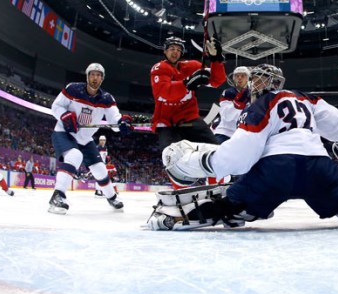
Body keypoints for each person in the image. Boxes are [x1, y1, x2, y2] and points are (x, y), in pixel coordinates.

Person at [147, 64, 338, 233]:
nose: (253, 85)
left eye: (256, 80)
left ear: (267, 83)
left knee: (229, 205)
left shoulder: (260, 105)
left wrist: (198, 161)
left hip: (276, 170)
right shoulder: (305, 98)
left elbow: (241, 157)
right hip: (319, 166)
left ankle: (182, 217)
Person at [48, 62, 132, 214]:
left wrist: (122, 123)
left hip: (85, 138)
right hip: (64, 132)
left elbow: (114, 120)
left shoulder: (107, 98)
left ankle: (111, 197)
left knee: (100, 168)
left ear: (102, 79)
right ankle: (57, 196)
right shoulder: (72, 88)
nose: (95, 78)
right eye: (92, 74)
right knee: (74, 155)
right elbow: (55, 107)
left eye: (99, 76)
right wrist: (64, 116)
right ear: (87, 76)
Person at [149, 36, 226, 187]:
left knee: (217, 152)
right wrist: (187, 83)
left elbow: (217, 81)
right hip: (167, 123)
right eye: (172, 49)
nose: (175, 52)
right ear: (165, 51)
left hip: (190, 118)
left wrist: (216, 60)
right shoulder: (159, 68)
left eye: (178, 50)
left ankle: (216, 189)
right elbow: (163, 92)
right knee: (172, 158)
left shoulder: (192, 66)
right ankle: (180, 192)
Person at [213, 66, 251, 144]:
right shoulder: (228, 93)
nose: (239, 78)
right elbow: (227, 116)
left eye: (243, 76)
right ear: (234, 78)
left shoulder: (253, 94)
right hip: (225, 132)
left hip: (244, 133)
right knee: (215, 152)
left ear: (247, 78)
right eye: (237, 76)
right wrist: (238, 104)